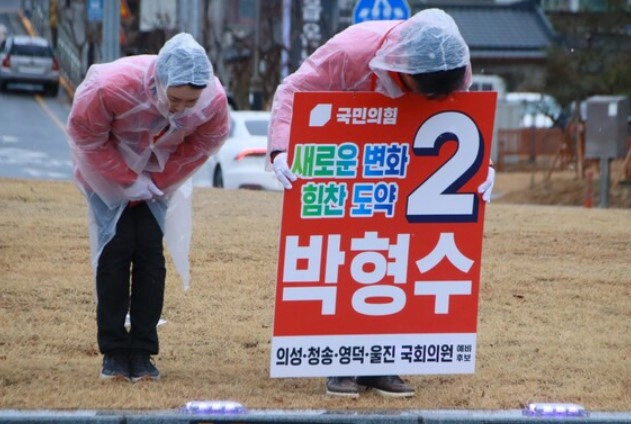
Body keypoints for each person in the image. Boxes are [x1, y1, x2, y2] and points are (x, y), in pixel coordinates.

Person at [266, 9, 495, 398]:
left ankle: (383, 362)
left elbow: (460, 111)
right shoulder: (350, 52)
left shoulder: (453, 62)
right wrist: (281, 149)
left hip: (408, 161)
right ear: (400, 68)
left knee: (396, 258)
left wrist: (482, 163)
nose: (421, 97)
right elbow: (292, 90)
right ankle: (342, 362)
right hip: (347, 163)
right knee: (349, 257)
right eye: (417, 88)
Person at [66, 33, 230, 382]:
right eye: (174, 99)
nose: (180, 108)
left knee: (150, 257)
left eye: (190, 102)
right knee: (116, 250)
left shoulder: (211, 101)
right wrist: (125, 178)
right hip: (105, 175)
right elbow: (86, 137)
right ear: (159, 81)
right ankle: (113, 351)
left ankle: (142, 351)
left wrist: (161, 178)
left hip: (157, 181)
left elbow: (208, 140)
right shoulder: (111, 87)